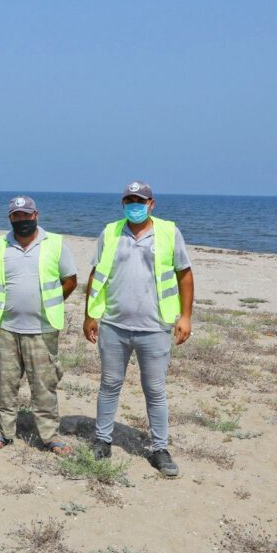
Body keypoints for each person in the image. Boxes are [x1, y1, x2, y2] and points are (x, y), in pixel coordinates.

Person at [83, 180, 194, 477]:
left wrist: (185, 317)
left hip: (155, 328)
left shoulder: (169, 232)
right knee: (109, 385)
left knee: (155, 390)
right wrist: (90, 315)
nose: (135, 205)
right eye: (130, 200)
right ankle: (102, 440)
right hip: (114, 325)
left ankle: (160, 449)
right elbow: (96, 274)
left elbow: (184, 275)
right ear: (123, 204)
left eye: (140, 201)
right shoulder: (110, 232)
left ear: (151, 204)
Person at [0, 196, 78, 454]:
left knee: (44, 385)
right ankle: (4, 432)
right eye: (17, 215)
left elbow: (70, 280)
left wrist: (51, 302)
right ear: (10, 218)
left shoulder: (55, 243)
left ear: (36, 215)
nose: (22, 219)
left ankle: (50, 436)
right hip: (7, 328)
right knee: (5, 383)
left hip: (42, 328)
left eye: (26, 214)